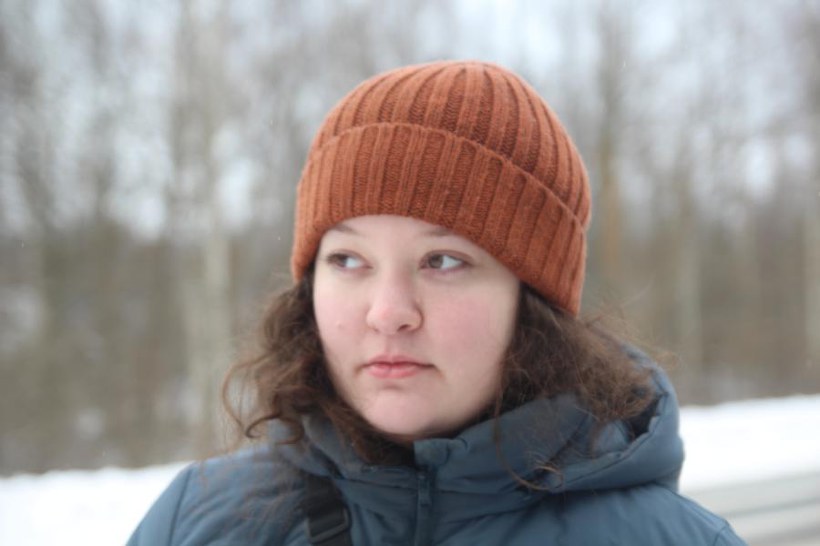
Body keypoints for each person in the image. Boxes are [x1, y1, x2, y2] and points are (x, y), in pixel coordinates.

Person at [128, 60, 746, 545]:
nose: (387, 311)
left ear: (533, 302)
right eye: (348, 260)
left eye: (442, 261)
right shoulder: (201, 523)